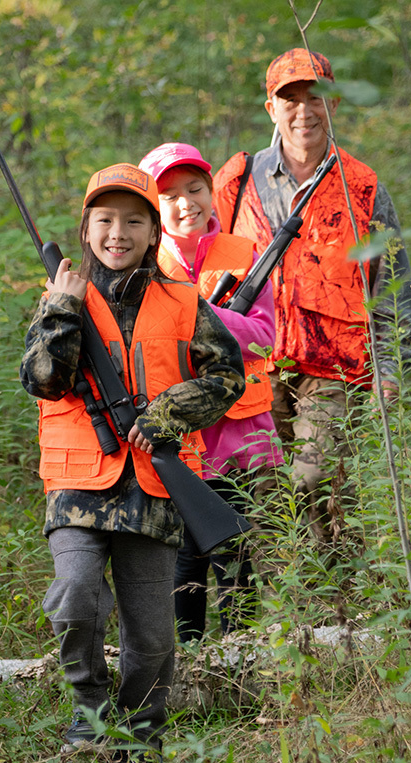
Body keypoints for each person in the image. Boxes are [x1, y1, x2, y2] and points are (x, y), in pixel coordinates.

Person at [20, 163, 246, 757]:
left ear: (152, 233)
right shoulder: (59, 298)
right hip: (77, 483)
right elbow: (43, 381)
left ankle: (140, 735)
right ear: (86, 230)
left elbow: (228, 374)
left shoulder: (182, 300)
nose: (117, 233)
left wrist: (168, 412)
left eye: (133, 221)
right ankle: (90, 717)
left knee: (151, 633)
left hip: (152, 486)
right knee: (74, 595)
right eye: (104, 221)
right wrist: (62, 312)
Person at [213, 48, 411, 547]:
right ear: (270, 108)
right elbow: (202, 270)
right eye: (290, 99)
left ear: (334, 104)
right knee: (265, 496)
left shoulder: (362, 187)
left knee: (315, 479)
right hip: (255, 362)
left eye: (315, 98)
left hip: (336, 367)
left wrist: (390, 371)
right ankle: (297, 617)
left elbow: (391, 286)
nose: (303, 111)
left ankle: (342, 616)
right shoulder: (236, 182)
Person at [138, 142, 283, 642]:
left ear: (210, 191)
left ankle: (242, 660)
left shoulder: (244, 254)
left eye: (195, 189)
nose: (186, 203)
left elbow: (264, 334)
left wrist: (205, 315)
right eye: (169, 196)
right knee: (185, 553)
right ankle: (193, 664)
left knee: (236, 550)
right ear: (151, 210)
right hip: (179, 429)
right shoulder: (143, 264)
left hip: (240, 431)